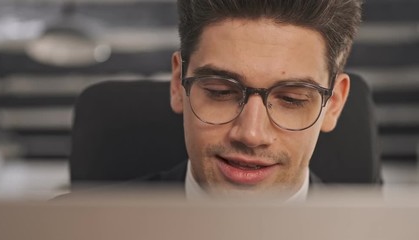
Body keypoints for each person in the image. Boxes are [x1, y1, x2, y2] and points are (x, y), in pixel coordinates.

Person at [145, 0, 363, 201]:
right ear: (177, 83)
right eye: (220, 91)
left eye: (291, 99)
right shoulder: (111, 227)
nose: (251, 134)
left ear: (334, 103)